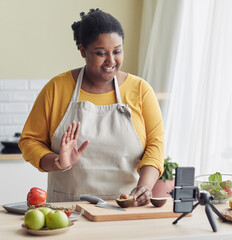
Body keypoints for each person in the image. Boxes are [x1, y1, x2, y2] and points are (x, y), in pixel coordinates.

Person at [19, 9, 164, 206]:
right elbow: (29, 141)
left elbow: (156, 145)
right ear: (82, 51)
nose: (111, 61)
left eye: (117, 51)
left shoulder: (140, 90)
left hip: (125, 207)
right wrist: (58, 162)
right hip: (67, 209)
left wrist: (145, 186)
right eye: (101, 53)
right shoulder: (57, 88)